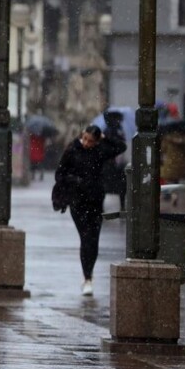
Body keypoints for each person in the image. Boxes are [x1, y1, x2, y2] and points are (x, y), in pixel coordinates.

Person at [53, 125, 126, 296]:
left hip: (95, 201)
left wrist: (104, 137)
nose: (86, 143)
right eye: (84, 138)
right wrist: (75, 180)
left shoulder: (100, 151)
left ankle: (89, 275)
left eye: (90, 141)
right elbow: (60, 174)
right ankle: (87, 277)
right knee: (86, 238)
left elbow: (121, 147)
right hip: (77, 202)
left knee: (93, 240)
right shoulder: (72, 149)